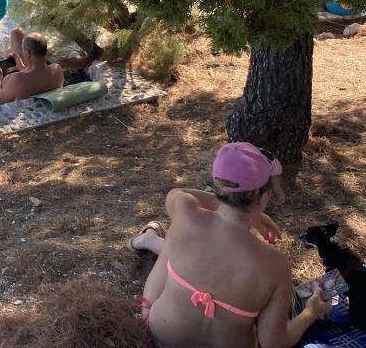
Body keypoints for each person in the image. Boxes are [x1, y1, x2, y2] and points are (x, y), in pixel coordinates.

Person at [128, 142, 332, 348]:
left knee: (176, 244)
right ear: (264, 197)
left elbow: (177, 192)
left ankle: (149, 239)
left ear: (218, 184)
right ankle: (150, 240)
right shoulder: (276, 265)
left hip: (162, 338)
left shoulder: (185, 213)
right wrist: (310, 313)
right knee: (179, 246)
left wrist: (238, 208)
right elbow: (273, 343)